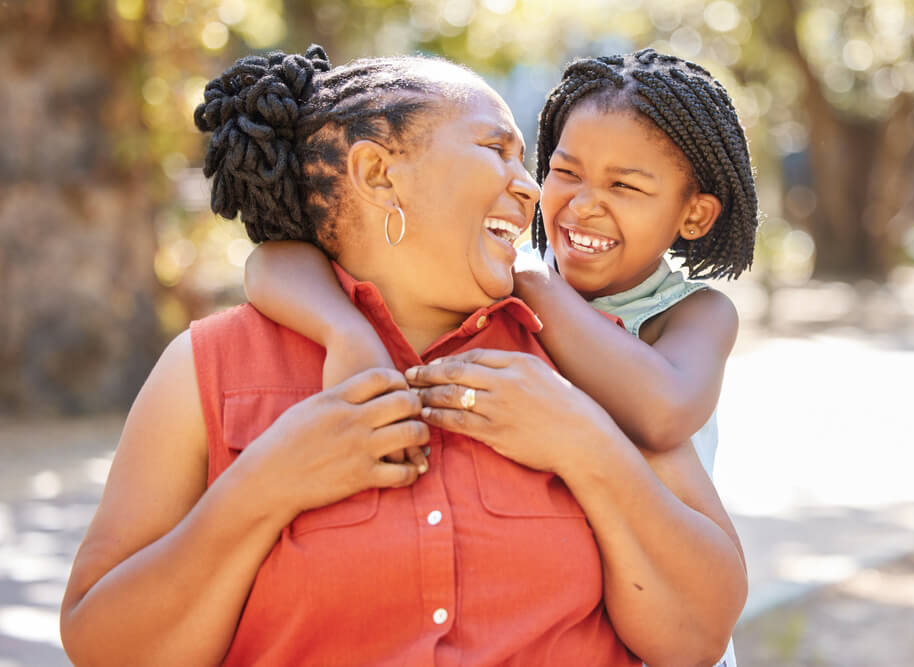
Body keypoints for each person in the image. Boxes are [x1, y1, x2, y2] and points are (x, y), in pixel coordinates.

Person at [60, 45, 746, 666]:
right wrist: (264, 485)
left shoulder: (584, 360)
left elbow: (698, 634)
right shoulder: (210, 367)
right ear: (378, 173)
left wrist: (584, 440)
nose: (534, 189)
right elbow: (103, 644)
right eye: (495, 149)